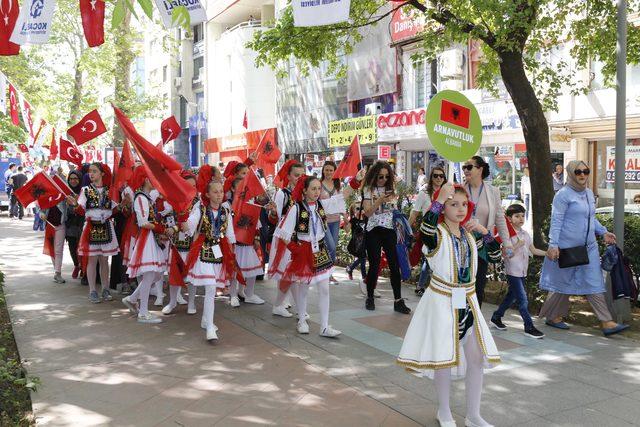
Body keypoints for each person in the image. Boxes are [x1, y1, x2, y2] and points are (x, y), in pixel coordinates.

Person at [397, 183, 501, 427]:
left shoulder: (470, 234)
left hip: (468, 302)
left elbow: (496, 257)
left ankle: (473, 415)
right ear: (442, 207)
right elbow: (425, 228)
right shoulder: (437, 234)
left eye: (464, 204)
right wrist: (437, 200)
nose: (460, 209)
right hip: (442, 302)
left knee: (475, 359)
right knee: (443, 358)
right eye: (453, 204)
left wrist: (485, 231)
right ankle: (444, 411)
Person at [539, 160, 629, 337]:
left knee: (594, 282)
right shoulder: (563, 195)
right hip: (567, 249)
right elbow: (556, 221)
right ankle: (552, 316)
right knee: (562, 284)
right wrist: (553, 245)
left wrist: (603, 232)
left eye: (585, 171)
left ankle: (606, 322)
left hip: (589, 248)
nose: (582, 175)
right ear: (571, 173)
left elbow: (590, 218)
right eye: (578, 171)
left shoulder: (588, 193)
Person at [269, 175, 341, 337]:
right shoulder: (297, 208)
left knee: (324, 288)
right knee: (303, 288)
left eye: (319, 188)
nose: (317, 192)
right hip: (303, 251)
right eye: (313, 189)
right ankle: (301, 320)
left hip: (320, 251)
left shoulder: (321, 205)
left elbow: (341, 198)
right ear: (305, 190)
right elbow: (283, 233)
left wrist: (356, 181)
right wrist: (296, 249)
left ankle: (324, 326)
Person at [185, 180, 237, 341]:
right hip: (202, 252)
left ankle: (205, 320)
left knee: (212, 290)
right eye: (215, 192)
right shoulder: (200, 208)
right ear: (207, 194)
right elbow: (189, 227)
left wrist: (231, 257)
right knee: (210, 287)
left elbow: (230, 235)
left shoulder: (225, 211)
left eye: (221, 191)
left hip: (218, 253)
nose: (219, 194)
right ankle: (209, 328)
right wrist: (181, 217)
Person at [122, 168, 173, 324]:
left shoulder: (146, 197)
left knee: (156, 274)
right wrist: (162, 229)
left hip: (152, 238)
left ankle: (132, 299)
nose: (154, 181)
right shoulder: (141, 198)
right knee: (150, 274)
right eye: (151, 177)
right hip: (147, 238)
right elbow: (143, 222)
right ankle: (143, 312)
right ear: (145, 180)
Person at [490, 204, 546, 338]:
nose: (521, 218)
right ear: (509, 218)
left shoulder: (525, 234)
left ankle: (496, 317)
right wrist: (516, 245)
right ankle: (529, 327)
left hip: (522, 272)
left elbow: (533, 250)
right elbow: (506, 254)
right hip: (512, 272)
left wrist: (547, 253)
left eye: (522, 216)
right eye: (517, 216)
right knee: (523, 300)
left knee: (511, 297)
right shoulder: (506, 235)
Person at [361, 161, 411, 314]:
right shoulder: (368, 189)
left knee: (394, 265)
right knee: (375, 264)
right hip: (373, 230)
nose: (383, 179)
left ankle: (398, 300)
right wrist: (379, 201)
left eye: (386, 177)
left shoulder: (391, 190)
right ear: (374, 175)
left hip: (389, 229)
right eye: (380, 176)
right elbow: (367, 213)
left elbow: (393, 210)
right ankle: (370, 297)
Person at [462, 156, 512, 306]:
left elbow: (499, 219)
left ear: (480, 169)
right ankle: (459, 321)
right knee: (462, 285)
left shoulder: (493, 191)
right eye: (464, 167)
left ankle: (474, 322)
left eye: (469, 167)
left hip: (482, 245)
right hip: (462, 244)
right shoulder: (459, 190)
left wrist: (507, 243)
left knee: (478, 286)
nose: (465, 170)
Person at [75, 163, 120, 303]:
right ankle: (92, 291)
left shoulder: (110, 190)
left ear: (102, 174)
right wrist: (74, 205)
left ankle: (105, 289)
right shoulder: (85, 190)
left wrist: (123, 203)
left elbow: (115, 210)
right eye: (90, 171)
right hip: (91, 226)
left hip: (106, 226)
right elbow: (81, 210)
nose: (91, 174)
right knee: (92, 260)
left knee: (105, 260)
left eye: (94, 171)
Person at [268, 160, 305, 318]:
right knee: (288, 273)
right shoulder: (282, 193)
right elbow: (274, 218)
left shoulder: (305, 192)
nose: (299, 178)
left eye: (302, 175)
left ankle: (297, 309)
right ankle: (285, 306)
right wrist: (274, 212)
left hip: (299, 237)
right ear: (289, 176)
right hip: (285, 237)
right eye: (296, 175)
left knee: (293, 274)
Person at [409, 166, 447, 296]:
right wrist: (407, 228)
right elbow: (415, 212)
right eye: (435, 175)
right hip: (429, 230)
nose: (438, 178)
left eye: (441, 176)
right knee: (429, 259)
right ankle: (420, 286)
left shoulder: (448, 192)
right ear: (431, 177)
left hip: (445, 231)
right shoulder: (424, 192)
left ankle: (437, 287)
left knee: (442, 260)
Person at [318, 160, 365, 265]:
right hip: (323, 221)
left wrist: (344, 216)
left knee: (333, 247)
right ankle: (324, 270)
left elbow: (341, 200)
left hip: (335, 220)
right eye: (326, 170)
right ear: (323, 171)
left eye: (331, 170)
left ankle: (329, 272)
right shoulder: (318, 185)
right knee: (330, 245)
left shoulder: (337, 185)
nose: (329, 172)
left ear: (335, 171)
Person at [65, 170, 85, 280]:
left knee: (81, 247)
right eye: (71, 179)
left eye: (75, 178)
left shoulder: (84, 192)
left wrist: (77, 204)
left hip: (82, 223)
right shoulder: (65, 192)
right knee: (72, 247)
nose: (73, 181)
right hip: (70, 223)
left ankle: (83, 268)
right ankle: (77, 265)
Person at [344, 201, 367, 285]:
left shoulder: (366, 219)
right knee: (363, 258)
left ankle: (350, 269)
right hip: (356, 244)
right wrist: (346, 221)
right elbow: (347, 230)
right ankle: (364, 277)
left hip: (364, 244)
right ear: (353, 211)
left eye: (362, 208)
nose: (360, 210)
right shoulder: (353, 220)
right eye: (358, 208)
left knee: (363, 260)